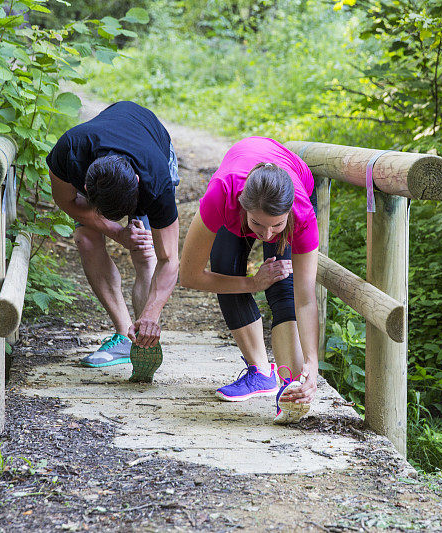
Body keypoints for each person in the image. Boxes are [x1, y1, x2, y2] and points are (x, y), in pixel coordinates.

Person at [179, 136, 319, 424]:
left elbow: (305, 299)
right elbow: (189, 276)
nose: (267, 236)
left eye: (276, 226)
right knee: (225, 269)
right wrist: (252, 284)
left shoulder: (301, 213)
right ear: (243, 208)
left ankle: (290, 389)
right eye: (257, 224)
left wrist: (312, 363)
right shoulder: (224, 194)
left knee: (285, 284)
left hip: (291, 187)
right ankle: (260, 372)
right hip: (241, 189)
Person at [46, 101, 180, 368]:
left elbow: (170, 260)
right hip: (101, 165)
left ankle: (145, 339)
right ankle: (123, 335)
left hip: (152, 146)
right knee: (85, 238)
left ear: (138, 184)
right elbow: (66, 202)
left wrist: (152, 314)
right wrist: (118, 233)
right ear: (86, 185)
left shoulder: (156, 179)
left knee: (144, 250)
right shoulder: (69, 152)